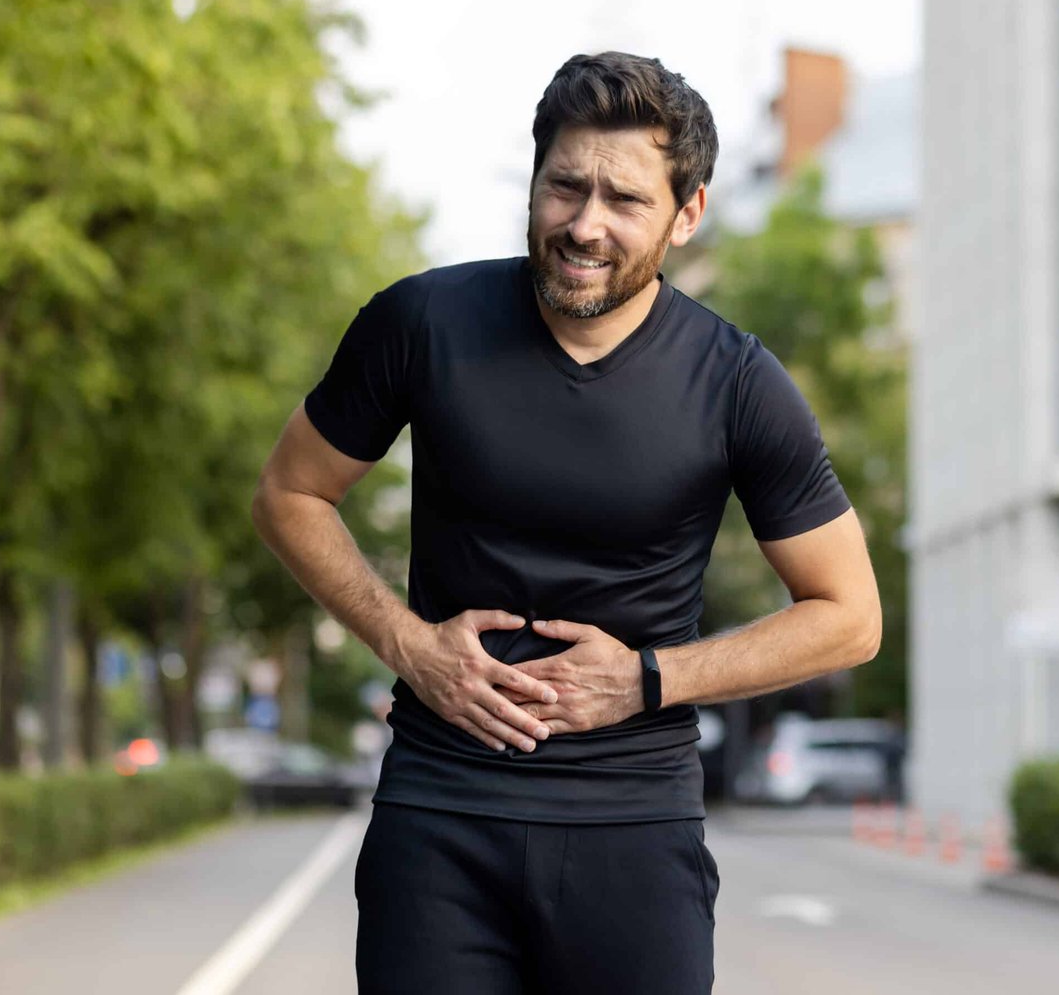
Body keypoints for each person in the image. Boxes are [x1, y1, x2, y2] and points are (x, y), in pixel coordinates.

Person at [250, 51, 882, 995]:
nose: (585, 225)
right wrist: (410, 644)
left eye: (624, 200)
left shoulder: (740, 384)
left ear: (686, 214)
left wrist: (649, 677)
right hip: (441, 813)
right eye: (565, 187)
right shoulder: (422, 322)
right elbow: (290, 494)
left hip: (634, 826)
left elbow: (851, 615)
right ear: (536, 178)